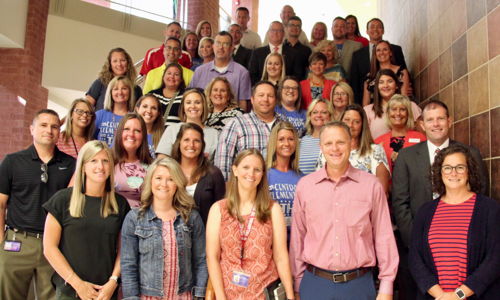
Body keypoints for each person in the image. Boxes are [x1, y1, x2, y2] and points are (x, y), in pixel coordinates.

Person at [392, 99, 488, 300]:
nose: (436, 124)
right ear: (422, 124)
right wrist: (419, 246)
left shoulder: (470, 154)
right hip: (421, 252)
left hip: (465, 256)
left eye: (440, 119)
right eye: (430, 120)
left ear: (449, 121)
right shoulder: (406, 157)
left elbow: (481, 196)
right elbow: (400, 203)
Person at [290, 121, 398, 300]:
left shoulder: (371, 185)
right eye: (328, 143)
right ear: (321, 147)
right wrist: (298, 283)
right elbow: (297, 239)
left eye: (340, 142)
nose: (335, 148)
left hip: (359, 285)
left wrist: (386, 285)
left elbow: (383, 236)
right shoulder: (305, 186)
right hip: (315, 284)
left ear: (350, 143)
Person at [0, 109, 76, 300]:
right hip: (17, 242)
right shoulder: (12, 162)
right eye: (43, 125)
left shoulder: (71, 165)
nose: (49, 130)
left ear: (60, 132)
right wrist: (1, 241)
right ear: (31, 129)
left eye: (54, 126)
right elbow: (0, 204)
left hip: (55, 245)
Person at [409, 144, 500, 299]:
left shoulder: (490, 209)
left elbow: (495, 258)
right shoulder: (425, 212)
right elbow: (415, 258)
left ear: (469, 171)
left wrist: (459, 294)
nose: (453, 173)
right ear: (439, 172)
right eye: (447, 168)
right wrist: (441, 296)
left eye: (460, 167)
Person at [42, 140, 130, 300]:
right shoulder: (62, 199)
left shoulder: (120, 204)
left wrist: (113, 282)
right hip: (69, 290)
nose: (100, 167)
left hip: (105, 292)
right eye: (93, 161)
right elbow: (49, 248)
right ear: (83, 166)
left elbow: (124, 250)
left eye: (105, 161)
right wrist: (78, 284)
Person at [205, 149, 295, 300]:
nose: (251, 174)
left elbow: (281, 256)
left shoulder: (273, 210)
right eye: (246, 167)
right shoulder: (218, 209)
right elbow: (212, 256)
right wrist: (220, 296)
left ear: (262, 175)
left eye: (257, 169)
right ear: (235, 170)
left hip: (265, 292)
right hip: (229, 293)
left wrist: (290, 295)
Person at [121, 157, 208, 299]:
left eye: (170, 179)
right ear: (150, 181)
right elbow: (128, 265)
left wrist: (199, 295)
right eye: (159, 178)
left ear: (177, 183)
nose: (164, 184)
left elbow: (201, 260)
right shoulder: (134, 218)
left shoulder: (191, 217)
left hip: (184, 296)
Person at [215, 81, 284, 180]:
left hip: (279, 188)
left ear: (276, 100)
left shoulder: (284, 125)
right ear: (252, 99)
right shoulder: (236, 124)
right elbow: (222, 164)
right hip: (246, 189)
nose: (265, 99)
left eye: (270, 96)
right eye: (261, 95)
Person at [170, 123, 225, 224]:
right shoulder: (169, 171)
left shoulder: (213, 174)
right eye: (186, 140)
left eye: (196, 141)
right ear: (179, 143)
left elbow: (222, 211)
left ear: (202, 145)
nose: (191, 145)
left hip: (205, 235)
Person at [189, 31, 252, 111]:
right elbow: (190, 98)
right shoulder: (199, 71)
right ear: (213, 46)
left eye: (225, 44)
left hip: (231, 120)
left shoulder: (242, 73)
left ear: (232, 48)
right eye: (218, 43)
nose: (221, 47)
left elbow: (243, 105)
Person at [351, 18, 407, 105]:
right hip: (371, 105)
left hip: (397, 104)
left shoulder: (396, 49)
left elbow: (404, 75)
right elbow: (355, 84)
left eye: (379, 27)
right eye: (372, 27)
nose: (375, 29)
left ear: (383, 31)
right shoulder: (357, 55)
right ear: (367, 31)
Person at [156, 89, 219, 160]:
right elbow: (161, 159)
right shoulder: (172, 129)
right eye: (188, 103)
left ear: (203, 106)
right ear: (183, 107)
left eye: (197, 102)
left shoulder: (215, 134)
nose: (193, 106)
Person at [266, 122, 302, 238]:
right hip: (271, 240)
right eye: (281, 139)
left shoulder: (303, 178)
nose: (286, 143)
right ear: (274, 143)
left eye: (291, 139)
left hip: (295, 241)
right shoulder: (264, 176)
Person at [364, 69, 421, 140]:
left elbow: (421, 132)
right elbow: (364, 138)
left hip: (409, 149)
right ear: (377, 87)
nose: (385, 85)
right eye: (381, 82)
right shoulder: (367, 110)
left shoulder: (411, 106)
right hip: (379, 149)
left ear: (397, 85)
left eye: (390, 81)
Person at [374, 95, 426, 172]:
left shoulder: (420, 138)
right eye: (394, 109)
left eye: (402, 109)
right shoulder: (377, 142)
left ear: (408, 113)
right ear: (388, 113)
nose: (398, 113)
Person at [113, 113, 153, 208]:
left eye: (137, 131)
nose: (131, 134)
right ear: (119, 132)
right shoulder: (107, 160)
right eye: (126, 129)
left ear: (143, 136)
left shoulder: (153, 166)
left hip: (140, 219)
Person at [362, 40, 411, 106]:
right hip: (376, 113)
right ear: (375, 55)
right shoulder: (370, 76)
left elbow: (404, 97)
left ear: (390, 53)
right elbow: (366, 102)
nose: (382, 53)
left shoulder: (402, 72)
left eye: (385, 49)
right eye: (378, 50)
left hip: (396, 110)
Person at [94, 75, 135, 146]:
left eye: (124, 88)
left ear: (130, 92)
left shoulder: (134, 118)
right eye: (116, 89)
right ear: (110, 93)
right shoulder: (100, 115)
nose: (120, 92)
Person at [298, 99, 333, 175]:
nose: (319, 115)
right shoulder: (302, 141)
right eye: (315, 112)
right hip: (302, 185)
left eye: (324, 112)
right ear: (310, 116)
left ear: (330, 116)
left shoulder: (334, 141)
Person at [148, 62, 186, 127]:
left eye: (176, 74)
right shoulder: (152, 95)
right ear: (163, 76)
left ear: (181, 79)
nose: (172, 76)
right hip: (154, 134)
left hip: (176, 135)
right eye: (169, 73)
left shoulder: (186, 96)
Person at [284, 16, 311, 81]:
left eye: (298, 26)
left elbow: (309, 71)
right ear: (287, 28)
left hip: (300, 85)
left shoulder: (307, 50)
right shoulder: (280, 48)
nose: (295, 28)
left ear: (301, 30)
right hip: (283, 85)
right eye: (292, 25)